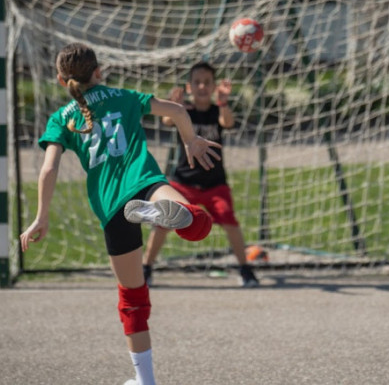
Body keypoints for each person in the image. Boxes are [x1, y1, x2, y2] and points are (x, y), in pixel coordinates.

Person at [19, 43, 219, 385]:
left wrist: (42, 216)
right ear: (99, 72)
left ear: (61, 80)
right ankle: (160, 213)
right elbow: (176, 110)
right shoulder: (124, 96)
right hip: (147, 182)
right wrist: (190, 141)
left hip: (112, 207)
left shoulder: (62, 118)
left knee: (132, 299)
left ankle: (145, 380)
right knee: (199, 223)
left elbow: (48, 169)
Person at [142, 61, 259, 288]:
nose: (202, 86)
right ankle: (146, 268)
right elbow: (167, 120)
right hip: (184, 182)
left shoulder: (217, 111)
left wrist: (223, 102)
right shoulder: (183, 112)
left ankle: (245, 269)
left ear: (214, 87)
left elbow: (228, 122)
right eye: (197, 82)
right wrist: (174, 106)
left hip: (215, 184)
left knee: (230, 221)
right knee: (164, 221)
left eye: (207, 82)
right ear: (189, 87)